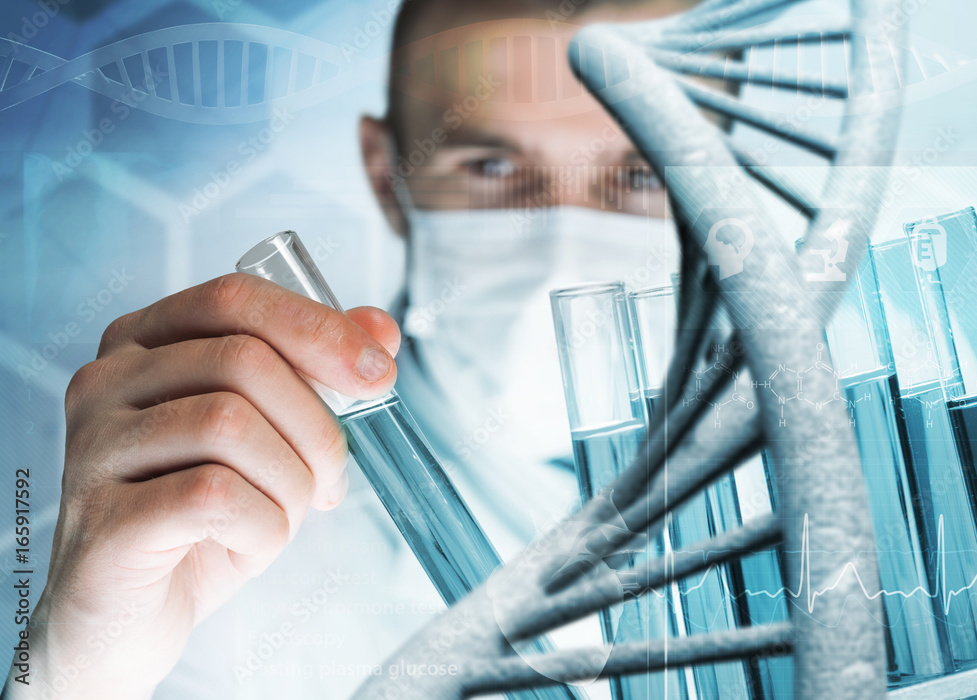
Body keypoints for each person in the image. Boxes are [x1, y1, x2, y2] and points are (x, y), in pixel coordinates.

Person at [4, 0, 687, 697]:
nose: (560, 249)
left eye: (639, 175)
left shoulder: (790, 509)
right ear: (387, 172)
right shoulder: (211, 539)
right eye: (490, 166)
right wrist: (69, 673)